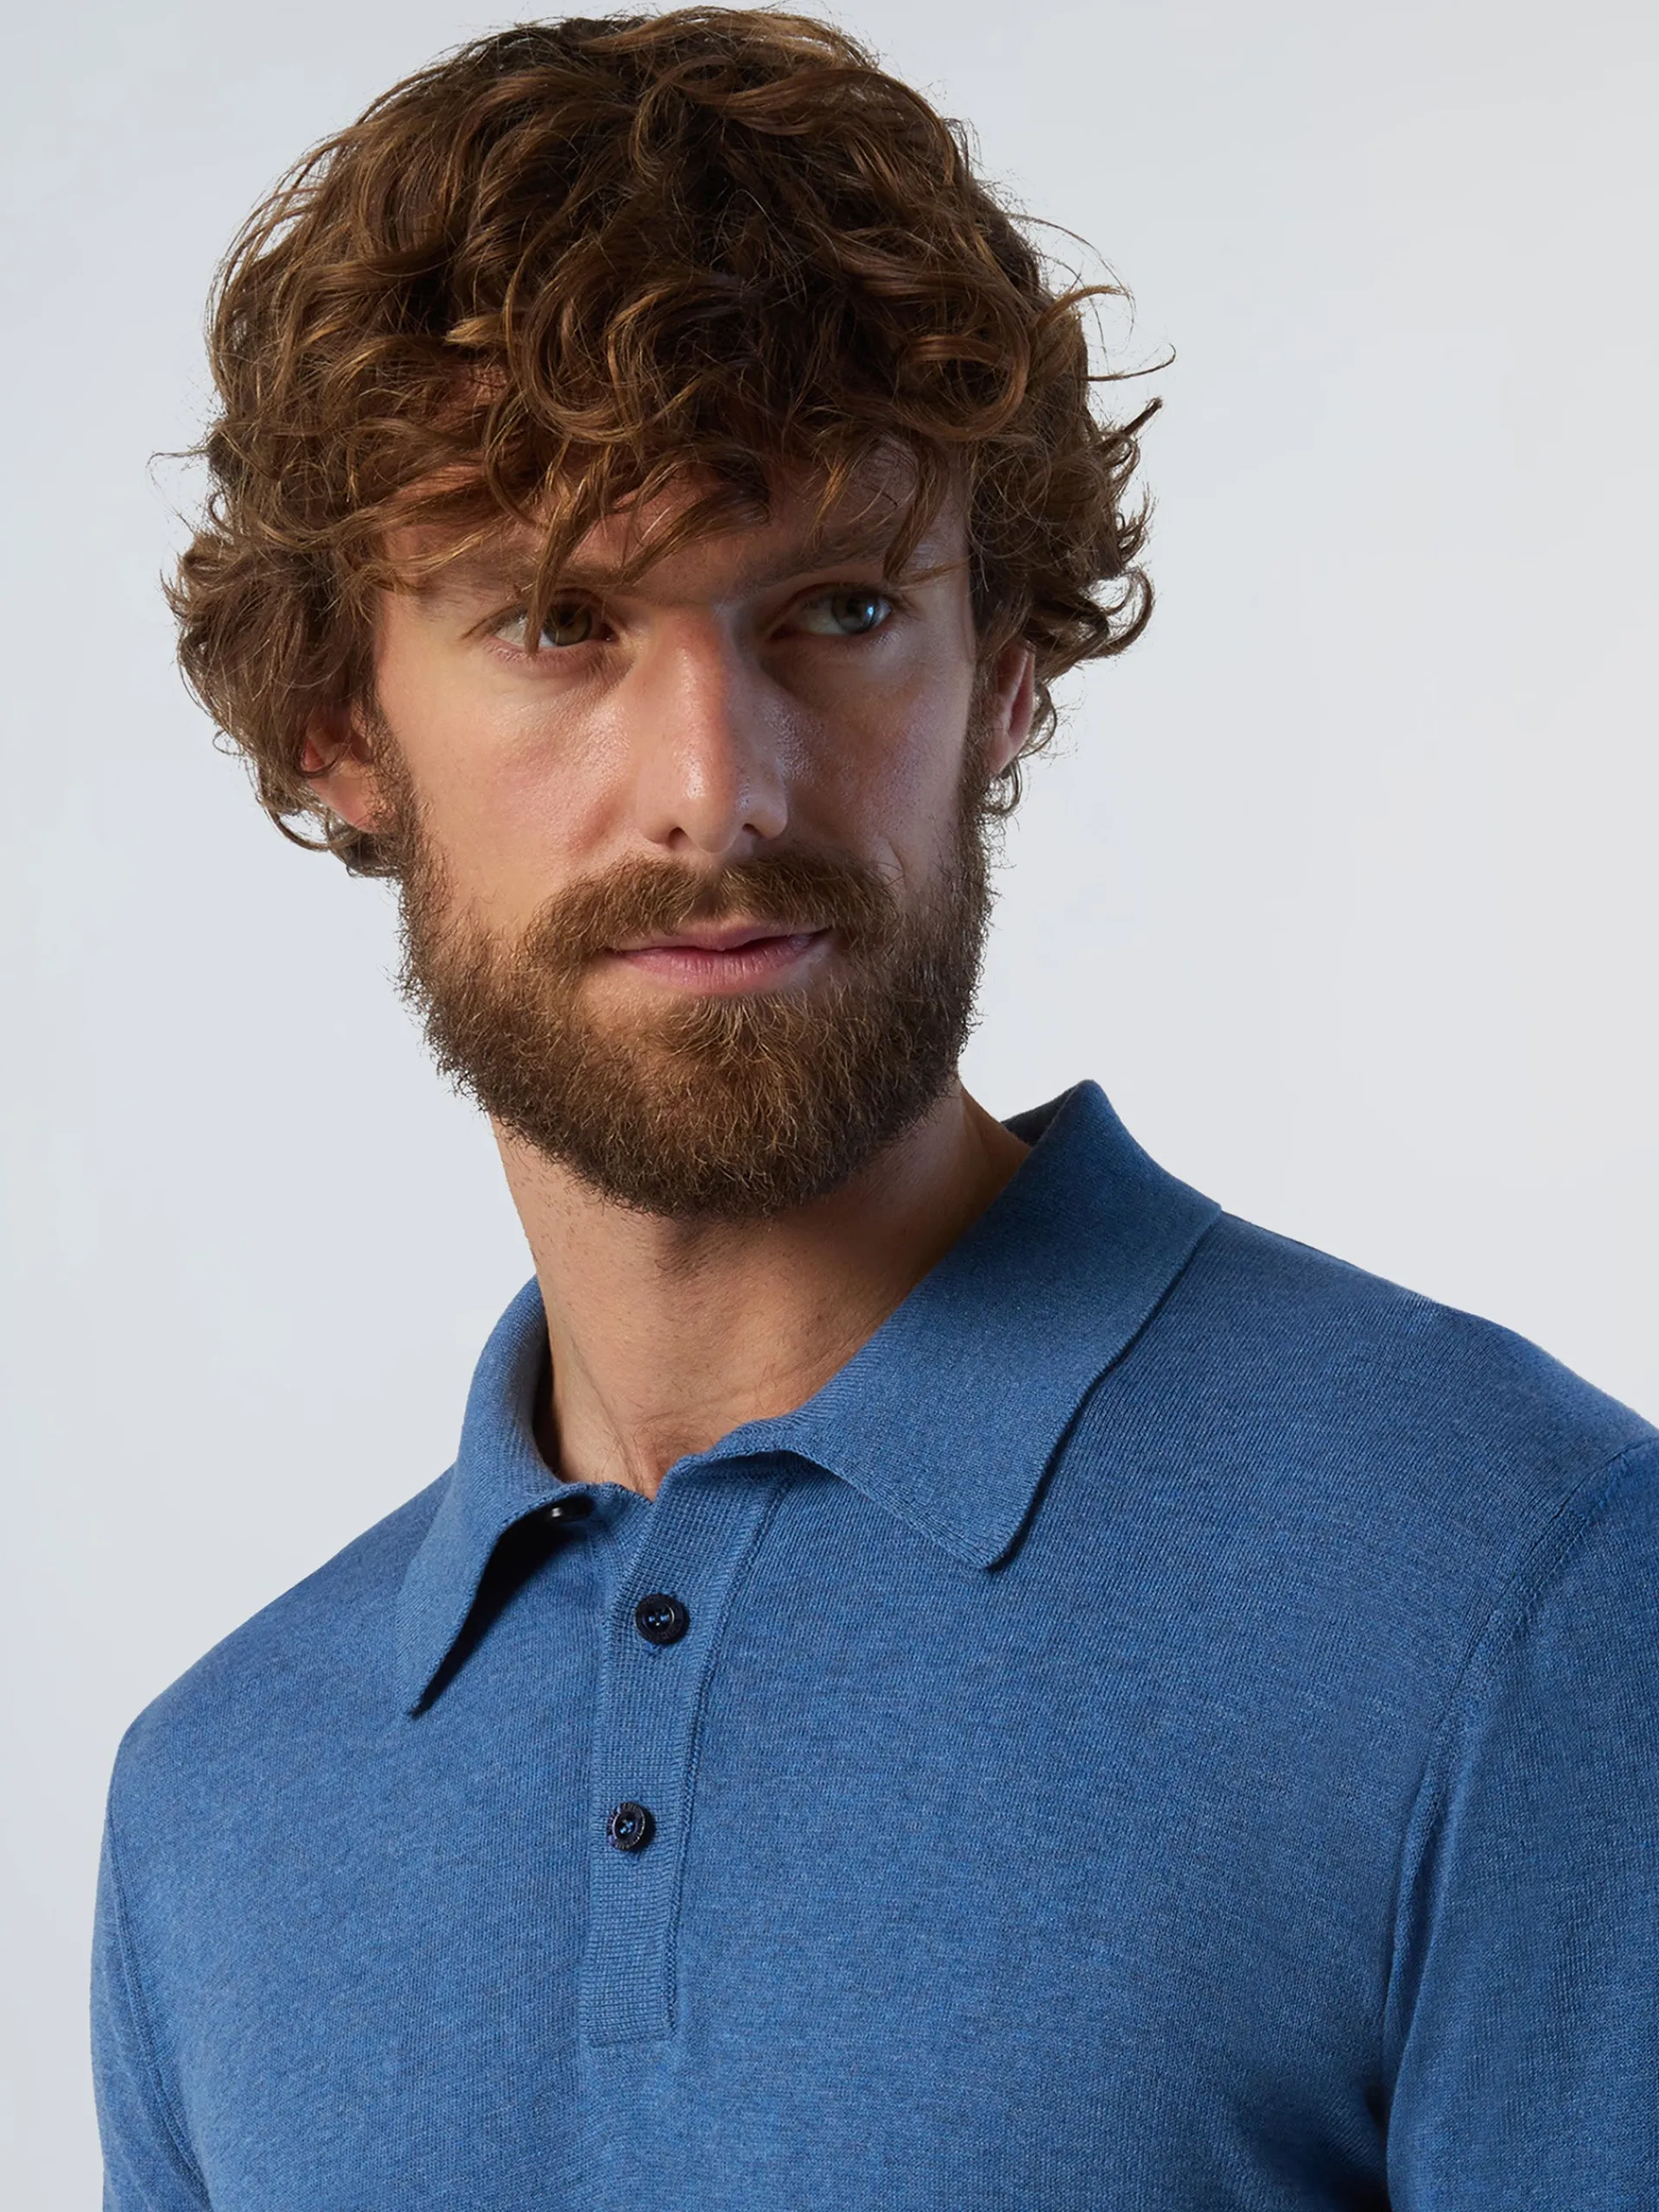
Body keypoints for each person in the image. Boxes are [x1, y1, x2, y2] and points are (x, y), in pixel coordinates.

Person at [92, 11, 1658, 2208]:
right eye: (557, 623)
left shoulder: (1520, 1588)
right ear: (340, 726)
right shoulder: (214, 1810)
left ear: (1003, 670)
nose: (718, 786)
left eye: (837, 608)